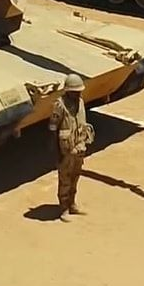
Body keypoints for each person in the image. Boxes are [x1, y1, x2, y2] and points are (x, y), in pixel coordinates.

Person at [48, 74, 93, 220]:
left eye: (79, 91)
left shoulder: (80, 102)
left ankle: (72, 203)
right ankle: (64, 207)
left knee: (75, 178)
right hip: (65, 151)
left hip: (79, 148)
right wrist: (57, 153)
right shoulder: (59, 106)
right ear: (68, 91)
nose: (78, 94)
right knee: (65, 180)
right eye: (75, 91)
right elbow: (52, 129)